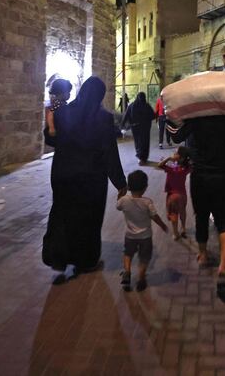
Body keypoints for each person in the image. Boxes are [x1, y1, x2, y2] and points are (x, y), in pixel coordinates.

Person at [42, 76, 127, 284]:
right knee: (88, 219)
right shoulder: (103, 118)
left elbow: (51, 139)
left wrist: (50, 126)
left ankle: (59, 257)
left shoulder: (62, 112)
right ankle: (85, 261)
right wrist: (120, 182)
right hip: (91, 179)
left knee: (62, 214)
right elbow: (109, 153)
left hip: (63, 175)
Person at [168, 115, 225, 296]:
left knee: (201, 215)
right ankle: (223, 266)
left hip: (200, 175)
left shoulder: (195, 118)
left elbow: (176, 136)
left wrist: (169, 116)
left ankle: (203, 256)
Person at [117, 170, 168, 292]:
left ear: (129, 187)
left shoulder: (124, 200)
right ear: (145, 187)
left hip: (130, 236)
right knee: (144, 258)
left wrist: (120, 196)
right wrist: (162, 225)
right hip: (145, 237)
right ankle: (141, 279)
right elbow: (154, 216)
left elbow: (118, 206)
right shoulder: (147, 202)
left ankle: (127, 272)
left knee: (128, 254)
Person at [157, 146, 192, 240]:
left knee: (174, 214)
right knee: (183, 211)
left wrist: (168, 158)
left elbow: (159, 165)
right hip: (182, 195)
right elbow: (192, 166)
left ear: (179, 157)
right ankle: (183, 228)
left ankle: (176, 233)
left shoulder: (170, 167)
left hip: (172, 195)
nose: (173, 154)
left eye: (175, 153)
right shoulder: (185, 168)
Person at [122, 92, 156, 165]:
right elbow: (153, 116)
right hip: (145, 128)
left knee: (138, 142)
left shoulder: (132, 105)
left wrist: (122, 125)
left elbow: (126, 115)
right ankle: (143, 158)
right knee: (144, 142)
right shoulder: (146, 106)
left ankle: (141, 158)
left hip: (136, 128)